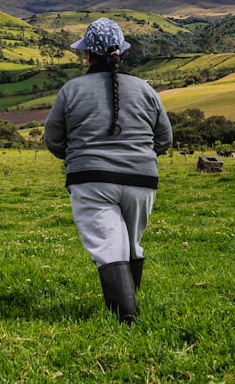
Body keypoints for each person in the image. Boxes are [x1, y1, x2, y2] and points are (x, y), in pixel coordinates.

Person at [44, 18, 173, 325]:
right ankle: (127, 313)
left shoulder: (70, 90)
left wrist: (78, 158)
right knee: (130, 244)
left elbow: (53, 139)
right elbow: (164, 140)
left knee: (108, 247)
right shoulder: (146, 90)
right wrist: (138, 157)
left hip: (90, 180)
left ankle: (126, 321)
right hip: (142, 180)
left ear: (87, 54)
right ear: (121, 53)